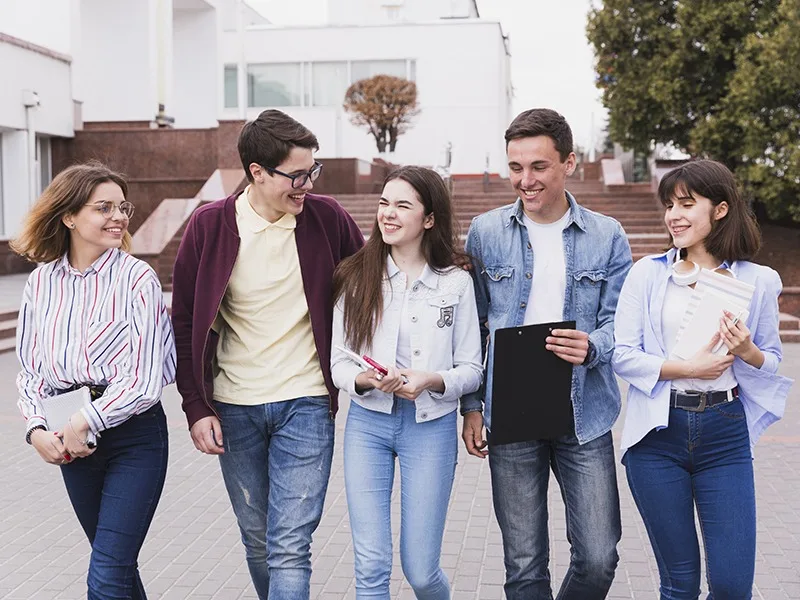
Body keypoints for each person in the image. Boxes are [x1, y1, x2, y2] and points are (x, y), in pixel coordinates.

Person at [171, 109, 364, 600]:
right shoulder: (209, 226)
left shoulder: (327, 219)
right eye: (296, 175)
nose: (307, 184)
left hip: (307, 401)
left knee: (289, 545)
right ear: (257, 172)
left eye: (312, 171)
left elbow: (371, 285)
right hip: (235, 407)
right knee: (258, 541)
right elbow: (186, 319)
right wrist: (196, 407)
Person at [461, 108, 632, 599]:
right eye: (516, 167)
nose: (525, 179)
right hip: (509, 416)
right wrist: (471, 408)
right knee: (524, 566)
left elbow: (621, 322)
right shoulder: (485, 231)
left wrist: (594, 345)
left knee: (599, 558)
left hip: (583, 413)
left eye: (538, 166)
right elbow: (471, 330)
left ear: (569, 163)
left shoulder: (607, 234)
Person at [613, 159, 794, 599]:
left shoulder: (758, 281)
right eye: (669, 205)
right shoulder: (648, 274)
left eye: (687, 204)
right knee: (679, 585)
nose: (673, 215)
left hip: (724, 434)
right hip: (657, 436)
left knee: (732, 587)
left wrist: (746, 350)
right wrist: (687, 369)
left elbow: (771, 360)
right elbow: (622, 355)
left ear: (721, 209)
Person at [12, 161, 176, 599]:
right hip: (71, 441)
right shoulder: (41, 283)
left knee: (105, 576)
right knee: (117, 570)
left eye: (122, 207)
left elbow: (142, 381)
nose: (118, 217)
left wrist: (84, 421)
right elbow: (29, 370)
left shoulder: (137, 278)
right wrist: (35, 429)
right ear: (68, 216)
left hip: (134, 439)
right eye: (103, 207)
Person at [331, 166, 483, 599]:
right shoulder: (355, 275)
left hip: (430, 428)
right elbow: (339, 359)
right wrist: (363, 380)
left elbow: (472, 367)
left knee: (420, 570)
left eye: (402, 205)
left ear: (429, 218)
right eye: (383, 203)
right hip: (368, 427)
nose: (388, 214)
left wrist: (431, 379)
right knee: (372, 564)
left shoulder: (455, 281)